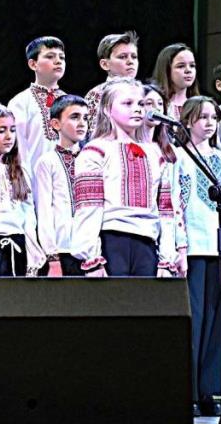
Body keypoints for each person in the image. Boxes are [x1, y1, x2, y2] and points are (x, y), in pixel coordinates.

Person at [72, 79, 177, 277]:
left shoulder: (155, 154)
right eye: (127, 103)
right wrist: (92, 257)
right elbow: (89, 207)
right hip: (111, 241)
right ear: (107, 109)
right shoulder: (96, 151)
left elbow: (165, 211)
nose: (137, 109)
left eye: (140, 104)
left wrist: (166, 258)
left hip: (147, 242)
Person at [172, 96, 221, 416]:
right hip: (192, 248)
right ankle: (189, 392)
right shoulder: (178, 157)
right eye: (203, 117)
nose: (209, 123)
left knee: (214, 323)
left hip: (217, 248)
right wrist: (180, 246)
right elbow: (177, 204)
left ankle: (209, 390)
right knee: (193, 322)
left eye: (213, 118)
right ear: (188, 121)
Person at [0, 104, 43, 276]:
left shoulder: (19, 170)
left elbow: (28, 215)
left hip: (18, 243)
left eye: (12, 130)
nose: (9, 136)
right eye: (1, 130)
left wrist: (33, 252)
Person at [33, 94, 88, 276]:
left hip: (90, 250)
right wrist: (52, 256)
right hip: (62, 250)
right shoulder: (47, 162)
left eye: (85, 118)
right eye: (75, 117)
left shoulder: (92, 160)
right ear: (56, 124)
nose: (82, 123)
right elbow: (45, 211)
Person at [6, 36, 68, 175]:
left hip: (66, 180)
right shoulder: (20, 102)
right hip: (33, 178)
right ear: (33, 64)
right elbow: (18, 149)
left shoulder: (70, 102)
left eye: (62, 57)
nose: (58, 61)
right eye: (50, 56)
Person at [83, 31, 139, 121]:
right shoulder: (97, 94)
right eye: (122, 57)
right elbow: (92, 128)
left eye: (134, 56)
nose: (130, 61)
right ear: (105, 64)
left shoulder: (145, 93)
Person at [152, 43, 200, 119]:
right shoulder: (156, 105)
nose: (188, 70)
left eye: (192, 65)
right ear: (166, 70)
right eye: (181, 66)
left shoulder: (200, 106)